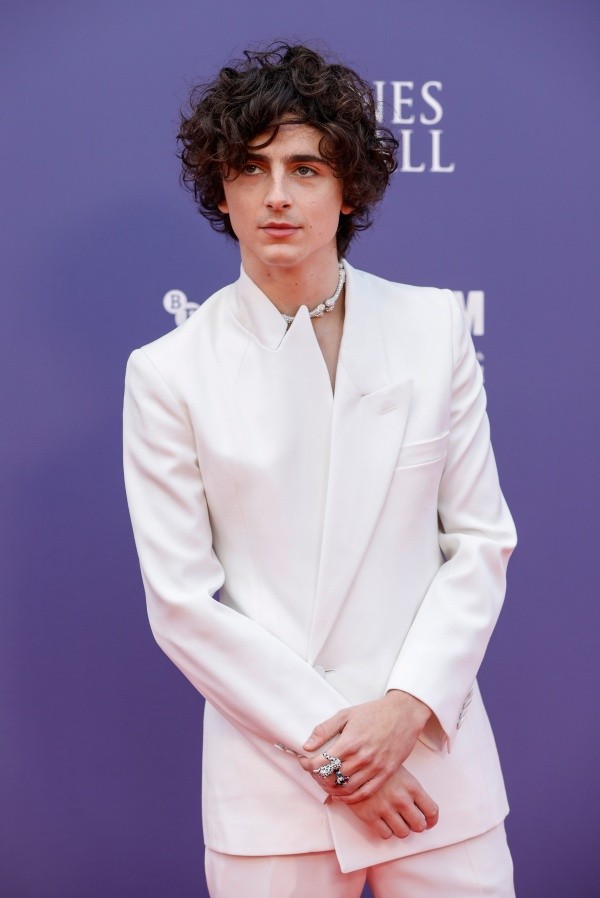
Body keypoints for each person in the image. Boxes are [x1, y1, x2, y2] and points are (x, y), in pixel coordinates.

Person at [123, 42, 517, 898]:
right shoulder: (169, 372)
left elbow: (481, 541)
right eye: (250, 168)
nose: (276, 196)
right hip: (274, 793)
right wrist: (338, 756)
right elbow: (184, 607)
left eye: (305, 168)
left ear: (349, 187)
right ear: (218, 188)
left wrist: (403, 712)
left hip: (434, 775)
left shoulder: (431, 327)